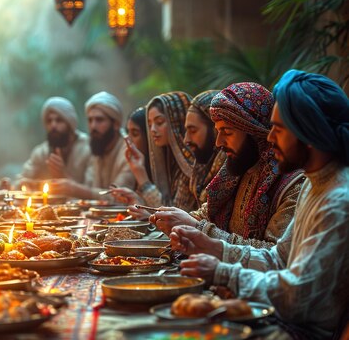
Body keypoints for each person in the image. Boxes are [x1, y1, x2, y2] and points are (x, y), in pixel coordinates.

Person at [169, 70, 349, 339]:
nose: (270, 137)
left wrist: (223, 273)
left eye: (278, 129)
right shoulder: (315, 183)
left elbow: (296, 297)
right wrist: (212, 247)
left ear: (308, 133)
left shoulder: (337, 200)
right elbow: (279, 258)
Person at [149, 83, 304, 248]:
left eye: (227, 132)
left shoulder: (292, 186)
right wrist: (174, 220)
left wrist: (195, 227)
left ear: (255, 132)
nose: (219, 142)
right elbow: (206, 215)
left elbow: (274, 256)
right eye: (218, 132)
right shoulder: (237, 169)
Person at [50, 91, 135, 199]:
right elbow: (89, 189)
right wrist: (64, 177)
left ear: (116, 124)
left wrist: (72, 188)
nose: (93, 126)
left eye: (99, 120)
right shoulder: (98, 148)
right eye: (90, 120)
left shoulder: (128, 152)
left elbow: (118, 197)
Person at [16, 96, 90, 187]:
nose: (53, 125)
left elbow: (94, 191)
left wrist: (63, 176)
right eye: (49, 121)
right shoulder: (41, 152)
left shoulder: (88, 148)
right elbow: (21, 181)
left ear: (70, 124)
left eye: (59, 120)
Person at [185, 90, 227, 207]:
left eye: (193, 130)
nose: (186, 140)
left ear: (215, 130)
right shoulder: (201, 170)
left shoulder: (231, 169)